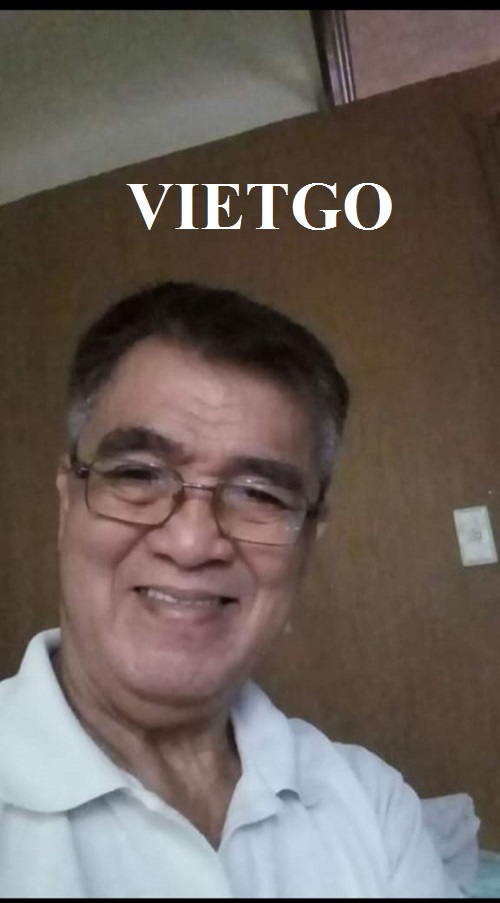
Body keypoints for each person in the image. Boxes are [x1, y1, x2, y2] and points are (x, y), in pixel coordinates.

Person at [0, 281, 461, 897]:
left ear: (308, 541)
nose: (192, 543)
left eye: (259, 494)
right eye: (138, 474)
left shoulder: (372, 805)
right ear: (68, 503)